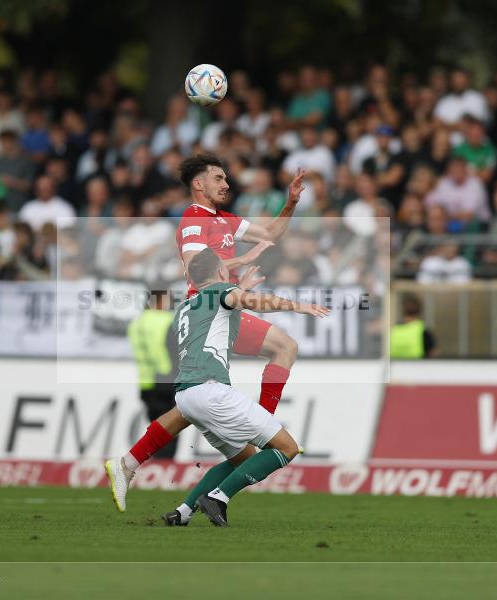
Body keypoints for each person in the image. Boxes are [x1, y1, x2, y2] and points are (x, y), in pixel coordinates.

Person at [105, 154, 306, 512]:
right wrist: (241, 262)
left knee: (190, 401)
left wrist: (289, 202)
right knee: (284, 346)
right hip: (211, 307)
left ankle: (129, 465)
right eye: (218, 178)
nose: (226, 184)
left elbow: (272, 232)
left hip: (216, 310)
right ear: (199, 184)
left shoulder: (223, 220)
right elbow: (198, 268)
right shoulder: (194, 219)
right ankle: (263, 424)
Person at [159, 249, 329, 526]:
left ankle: (183, 513)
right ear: (220, 272)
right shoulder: (221, 291)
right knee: (287, 448)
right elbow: (255, 302)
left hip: (186, 397)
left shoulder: (185, 307)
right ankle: (219, 498)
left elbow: (221, 313)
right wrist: (299, 306)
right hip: (210, 390)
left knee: (244, 457)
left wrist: (238, 290)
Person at [126, 290, 179, 459]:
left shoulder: (136, 323)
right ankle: (165, 467)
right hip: (167, 381)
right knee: (171, 429)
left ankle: (157, 462)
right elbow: (176, 352)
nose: (170, 305)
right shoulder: (166, 321)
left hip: (146, 383)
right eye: (167, 301)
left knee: (156, 429)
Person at [389, 294, 436, 359]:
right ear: (419, 310)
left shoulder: (393, 329)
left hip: (395, 367)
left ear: (402, 310)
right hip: (417, 367)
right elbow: (433, 353)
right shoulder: (424, 330)